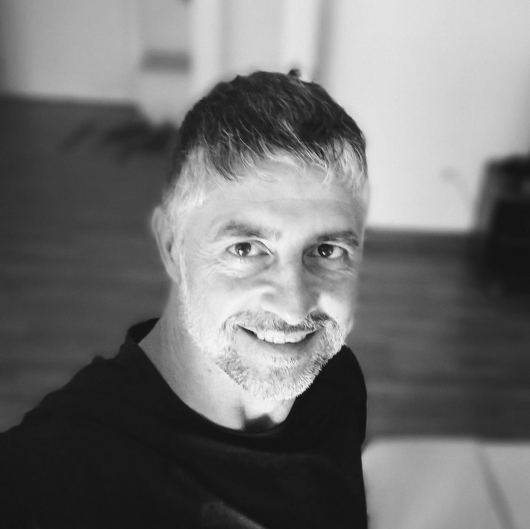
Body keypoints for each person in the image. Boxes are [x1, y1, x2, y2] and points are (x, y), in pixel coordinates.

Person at [0, 70, 369, 528]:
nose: (295, 308)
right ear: (172, 248)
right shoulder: (54, 471)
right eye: (245, 249)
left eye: (327, 251)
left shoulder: (336, 380)